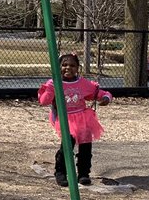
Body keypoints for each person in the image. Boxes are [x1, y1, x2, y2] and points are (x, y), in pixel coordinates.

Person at [38, 53, 112, 187]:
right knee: (68, 142)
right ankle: (60, 171)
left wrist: (106, 98)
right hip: (64, 117)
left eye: (72, 65)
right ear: (58, 67)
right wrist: (50, 88)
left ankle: (83, 173)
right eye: (64, 65)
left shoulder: (82, 83)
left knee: (85, 144)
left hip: (82, 117)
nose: (68, 68)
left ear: (78, 67)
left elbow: (101, 93)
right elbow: (43, 101)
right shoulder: (55, 83)